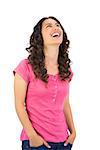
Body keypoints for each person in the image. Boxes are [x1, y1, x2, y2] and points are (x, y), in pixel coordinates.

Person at [13, 16, 76, 150]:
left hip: (63, 142)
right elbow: (19, 104)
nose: (56, 27)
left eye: (58, 25)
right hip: (37, 143)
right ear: (40, 37)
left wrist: (74, 132)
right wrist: (32, 136)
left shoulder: (66, 70)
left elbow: (65, 103)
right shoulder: (25, 67)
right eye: (49, 26)